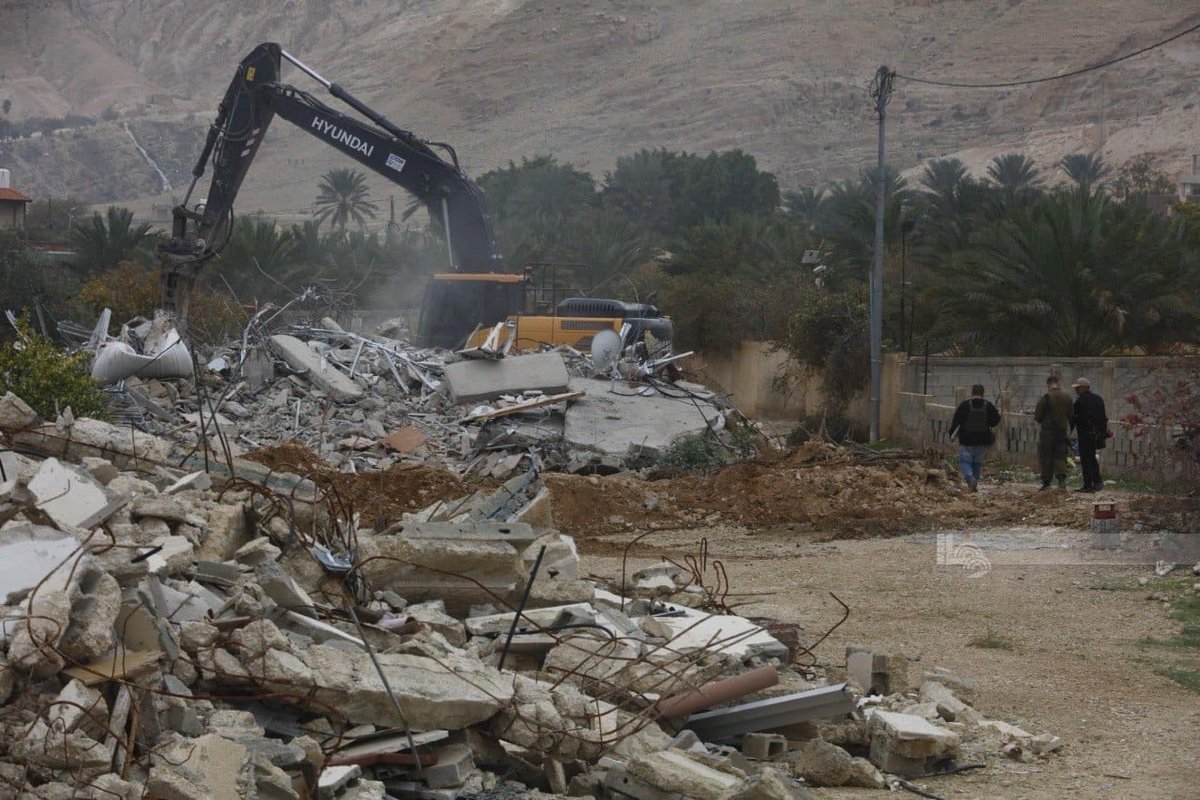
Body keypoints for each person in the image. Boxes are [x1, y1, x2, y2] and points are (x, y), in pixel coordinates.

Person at [948, 384, 1001, 491]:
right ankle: (974, 485)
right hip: (982, 441)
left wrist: (951, 434)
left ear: (972, 393)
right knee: (976, 464)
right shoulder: (988, 405)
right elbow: (996, 420)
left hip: (966, 441)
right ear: (983, 393)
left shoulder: (965, 405)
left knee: (964, 462)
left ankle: (970, 478)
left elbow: (956, 421)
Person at [1034, 375, 1075, 490]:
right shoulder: (1067, 397)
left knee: (1046, 457)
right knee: (1060, 456)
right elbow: (1071, 415)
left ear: (1048, 384)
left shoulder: (1045, 398)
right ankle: (1061, 480)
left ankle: (1046, 482)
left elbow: (1038, 417)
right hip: (1061, 433)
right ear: (1058, 383)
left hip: (1047, 433)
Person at [1071, 377, 1108, 493]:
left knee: (1085, 460)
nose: (1076, 390)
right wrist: (1101, 433)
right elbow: (1103, 418)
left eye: (1078, 388)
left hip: (1084, 434)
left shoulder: (1080, 401)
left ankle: (1088, 484)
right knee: (1092, 458)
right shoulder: (1098, 399)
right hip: (1096, 434)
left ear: (1084, 387)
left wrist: (1069, 430)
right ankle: (1097, 482)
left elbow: (1075, 418)